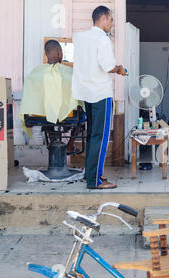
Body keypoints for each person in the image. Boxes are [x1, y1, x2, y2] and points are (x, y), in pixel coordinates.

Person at [72, 6, 127, 190]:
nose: (111, 24)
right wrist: (119, 68)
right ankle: (94, 180)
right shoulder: (102, 39)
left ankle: (91, 174)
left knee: (91, 136)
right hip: (101, 94)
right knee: (100, 137)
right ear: (103, 18)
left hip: (86, 93)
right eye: (111, 20)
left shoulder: (80, 38)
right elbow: (107, 66)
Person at [19, 40, 84, 152]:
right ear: (60, 52)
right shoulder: (70, 73)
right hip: (69, 115)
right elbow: (80, 98)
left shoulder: (34, 74)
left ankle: (53, 141)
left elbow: (29, 99)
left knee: (48, 113)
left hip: (40, 115)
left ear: (46, 54)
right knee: (81, 114)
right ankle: (69, 145)